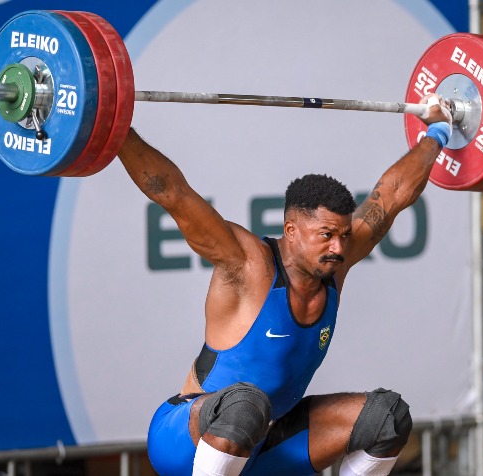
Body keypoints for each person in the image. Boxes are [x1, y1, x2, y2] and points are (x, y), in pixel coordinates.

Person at [117, 94, 452, 476]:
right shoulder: (247, 263)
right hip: (187, 442)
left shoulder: (333, 264)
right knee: (247, 405)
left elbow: (390, 196)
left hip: (267, 445)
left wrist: (440, 132)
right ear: (291, 231)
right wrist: (116, 133)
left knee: (386, 417)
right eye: (326, 235)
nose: (339, 247)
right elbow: (173, 194)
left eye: (343, 235)